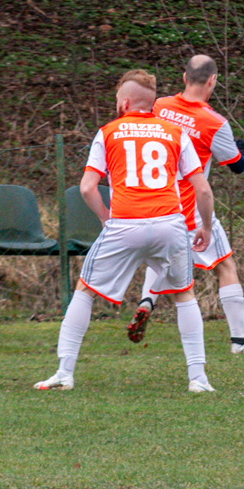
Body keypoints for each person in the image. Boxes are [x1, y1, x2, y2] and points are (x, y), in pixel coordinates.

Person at [34, 69, 218, 393]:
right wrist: (204, 226)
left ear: (125, 102)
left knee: (85, 290)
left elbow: (88, 188)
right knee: (184, 295)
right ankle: (198, 378)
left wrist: (107, 219)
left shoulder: (108, 132)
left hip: (125, 224)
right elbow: (202, 190)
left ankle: (64, 372)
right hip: (170, 224)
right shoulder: (175, 133)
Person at [125, 55, 244, 355]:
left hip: (156, 200)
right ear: (212, 81)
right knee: (225, 266)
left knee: (161, 258)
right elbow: (237, 166)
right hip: (191, 206)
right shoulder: (214, 121)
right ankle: (240, 341)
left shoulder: (160, 105)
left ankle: (146, 301)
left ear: (183, 76)